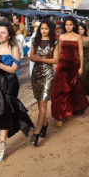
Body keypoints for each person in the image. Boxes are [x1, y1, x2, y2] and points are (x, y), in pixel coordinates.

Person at [0, 21, 34, 163]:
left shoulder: (14, 48)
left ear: (9, 35)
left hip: (9, 84)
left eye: (3, 32)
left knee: (5, 113)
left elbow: (14, 70)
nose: (0, 34)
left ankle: (2, 144)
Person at [51, 16, 89, 127]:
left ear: (74, 25)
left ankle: (67, 111)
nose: (68, 26)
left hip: (73, 66)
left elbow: (81, 53)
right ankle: (59, 116)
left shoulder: (78, 37)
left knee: (71, 90)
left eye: (70, 24)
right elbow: (58, 51)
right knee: (58, 91)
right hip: (62, 66)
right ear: (64, 25)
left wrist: (81, 67)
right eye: (67, 24)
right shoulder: (61, 37)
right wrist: (56, 64)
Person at [29, 19, 59, 147]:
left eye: (46, 28)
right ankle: (44, 124)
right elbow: (30, 56)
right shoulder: (34, 41)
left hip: (47, 75)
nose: (44, 30)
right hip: (36, 74)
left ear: (50, 29)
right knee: (38, 103)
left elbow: (56, 60)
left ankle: (36, 133)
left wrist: (41, 59)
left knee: (43, 104)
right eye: (42, 28)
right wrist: (33, 57)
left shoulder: (55, 42)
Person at [78, 23, 89, 97]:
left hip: (86, 62)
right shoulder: (75, 38)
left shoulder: (88, 39)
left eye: (81, 29)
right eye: (78, 29)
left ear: (85, 30)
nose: (80, 31)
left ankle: (83, 97)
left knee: (84, 80)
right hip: (75, 62)